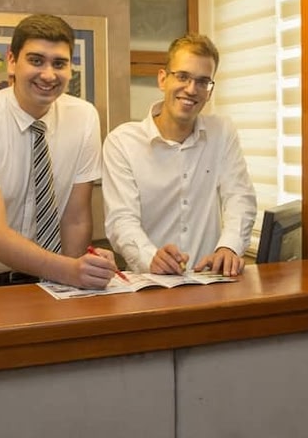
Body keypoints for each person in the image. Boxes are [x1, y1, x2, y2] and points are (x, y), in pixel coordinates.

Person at [0, 13, 117, 291]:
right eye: (36, 60)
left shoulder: (84, 117)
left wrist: (77, 277)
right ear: (12, 61)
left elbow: (76, 218)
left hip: (49, 283)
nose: (48, 74)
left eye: (59, 63)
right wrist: (70, 271)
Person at [102, 33, 257, 277]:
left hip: (209, 280)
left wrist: (229, 247)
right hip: (149, 283)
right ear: (163, 79)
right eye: (183, 76)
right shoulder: (122, 142)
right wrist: (151, 258)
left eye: (203, 82)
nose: (192, 89)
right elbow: (121, 220)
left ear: (210, 90)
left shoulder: (222, 132)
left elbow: (239, 197)